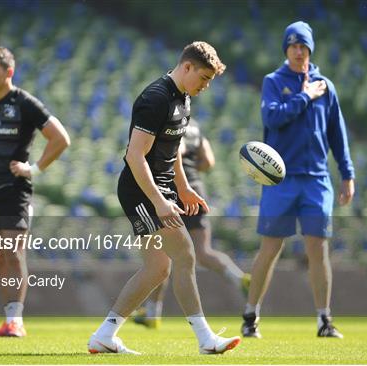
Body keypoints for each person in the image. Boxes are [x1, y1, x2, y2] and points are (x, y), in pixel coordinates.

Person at [87, 41, 240, 355]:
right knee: (185, 255)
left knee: (158, 269)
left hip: (159, 189)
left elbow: (171, 155)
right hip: (140, 191)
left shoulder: (184, 99)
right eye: (204, 78)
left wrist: (182, 189)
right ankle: (205, 340)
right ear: (186, 67)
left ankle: (104, 335)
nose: (206, 86)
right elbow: (134, 156)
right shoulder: (155, 98)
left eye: (210, 81)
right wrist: (158, 200)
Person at [241, 21, 355, 339]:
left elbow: (337, 133)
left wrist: (347, 174)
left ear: (310, 49)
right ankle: (251, 316)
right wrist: (304, 97)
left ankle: (324, 320)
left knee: (318, 248)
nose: (297, 51)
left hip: (317, 179)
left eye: (303, 45)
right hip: (280, 180)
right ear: (285, 49)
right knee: (270, 247)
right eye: (292, 45)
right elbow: (272, 117)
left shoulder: (326, 87)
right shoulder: (274, 82)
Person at [0, 47, 70, 337]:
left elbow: (61, 139)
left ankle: (17, 321)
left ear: (9, 72)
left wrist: (33, 169)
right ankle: (8, 319)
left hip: (15, 189)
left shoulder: (25, 103)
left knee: (13, 250)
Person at [132, 120, 251, 329]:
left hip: (172, 188)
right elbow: (208, 162)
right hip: (196, 189)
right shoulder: (196, 127)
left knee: (161, 256)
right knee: (203, 251)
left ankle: (152, 314)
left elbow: (176, 148)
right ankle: (239, 278)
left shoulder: (166, 123)